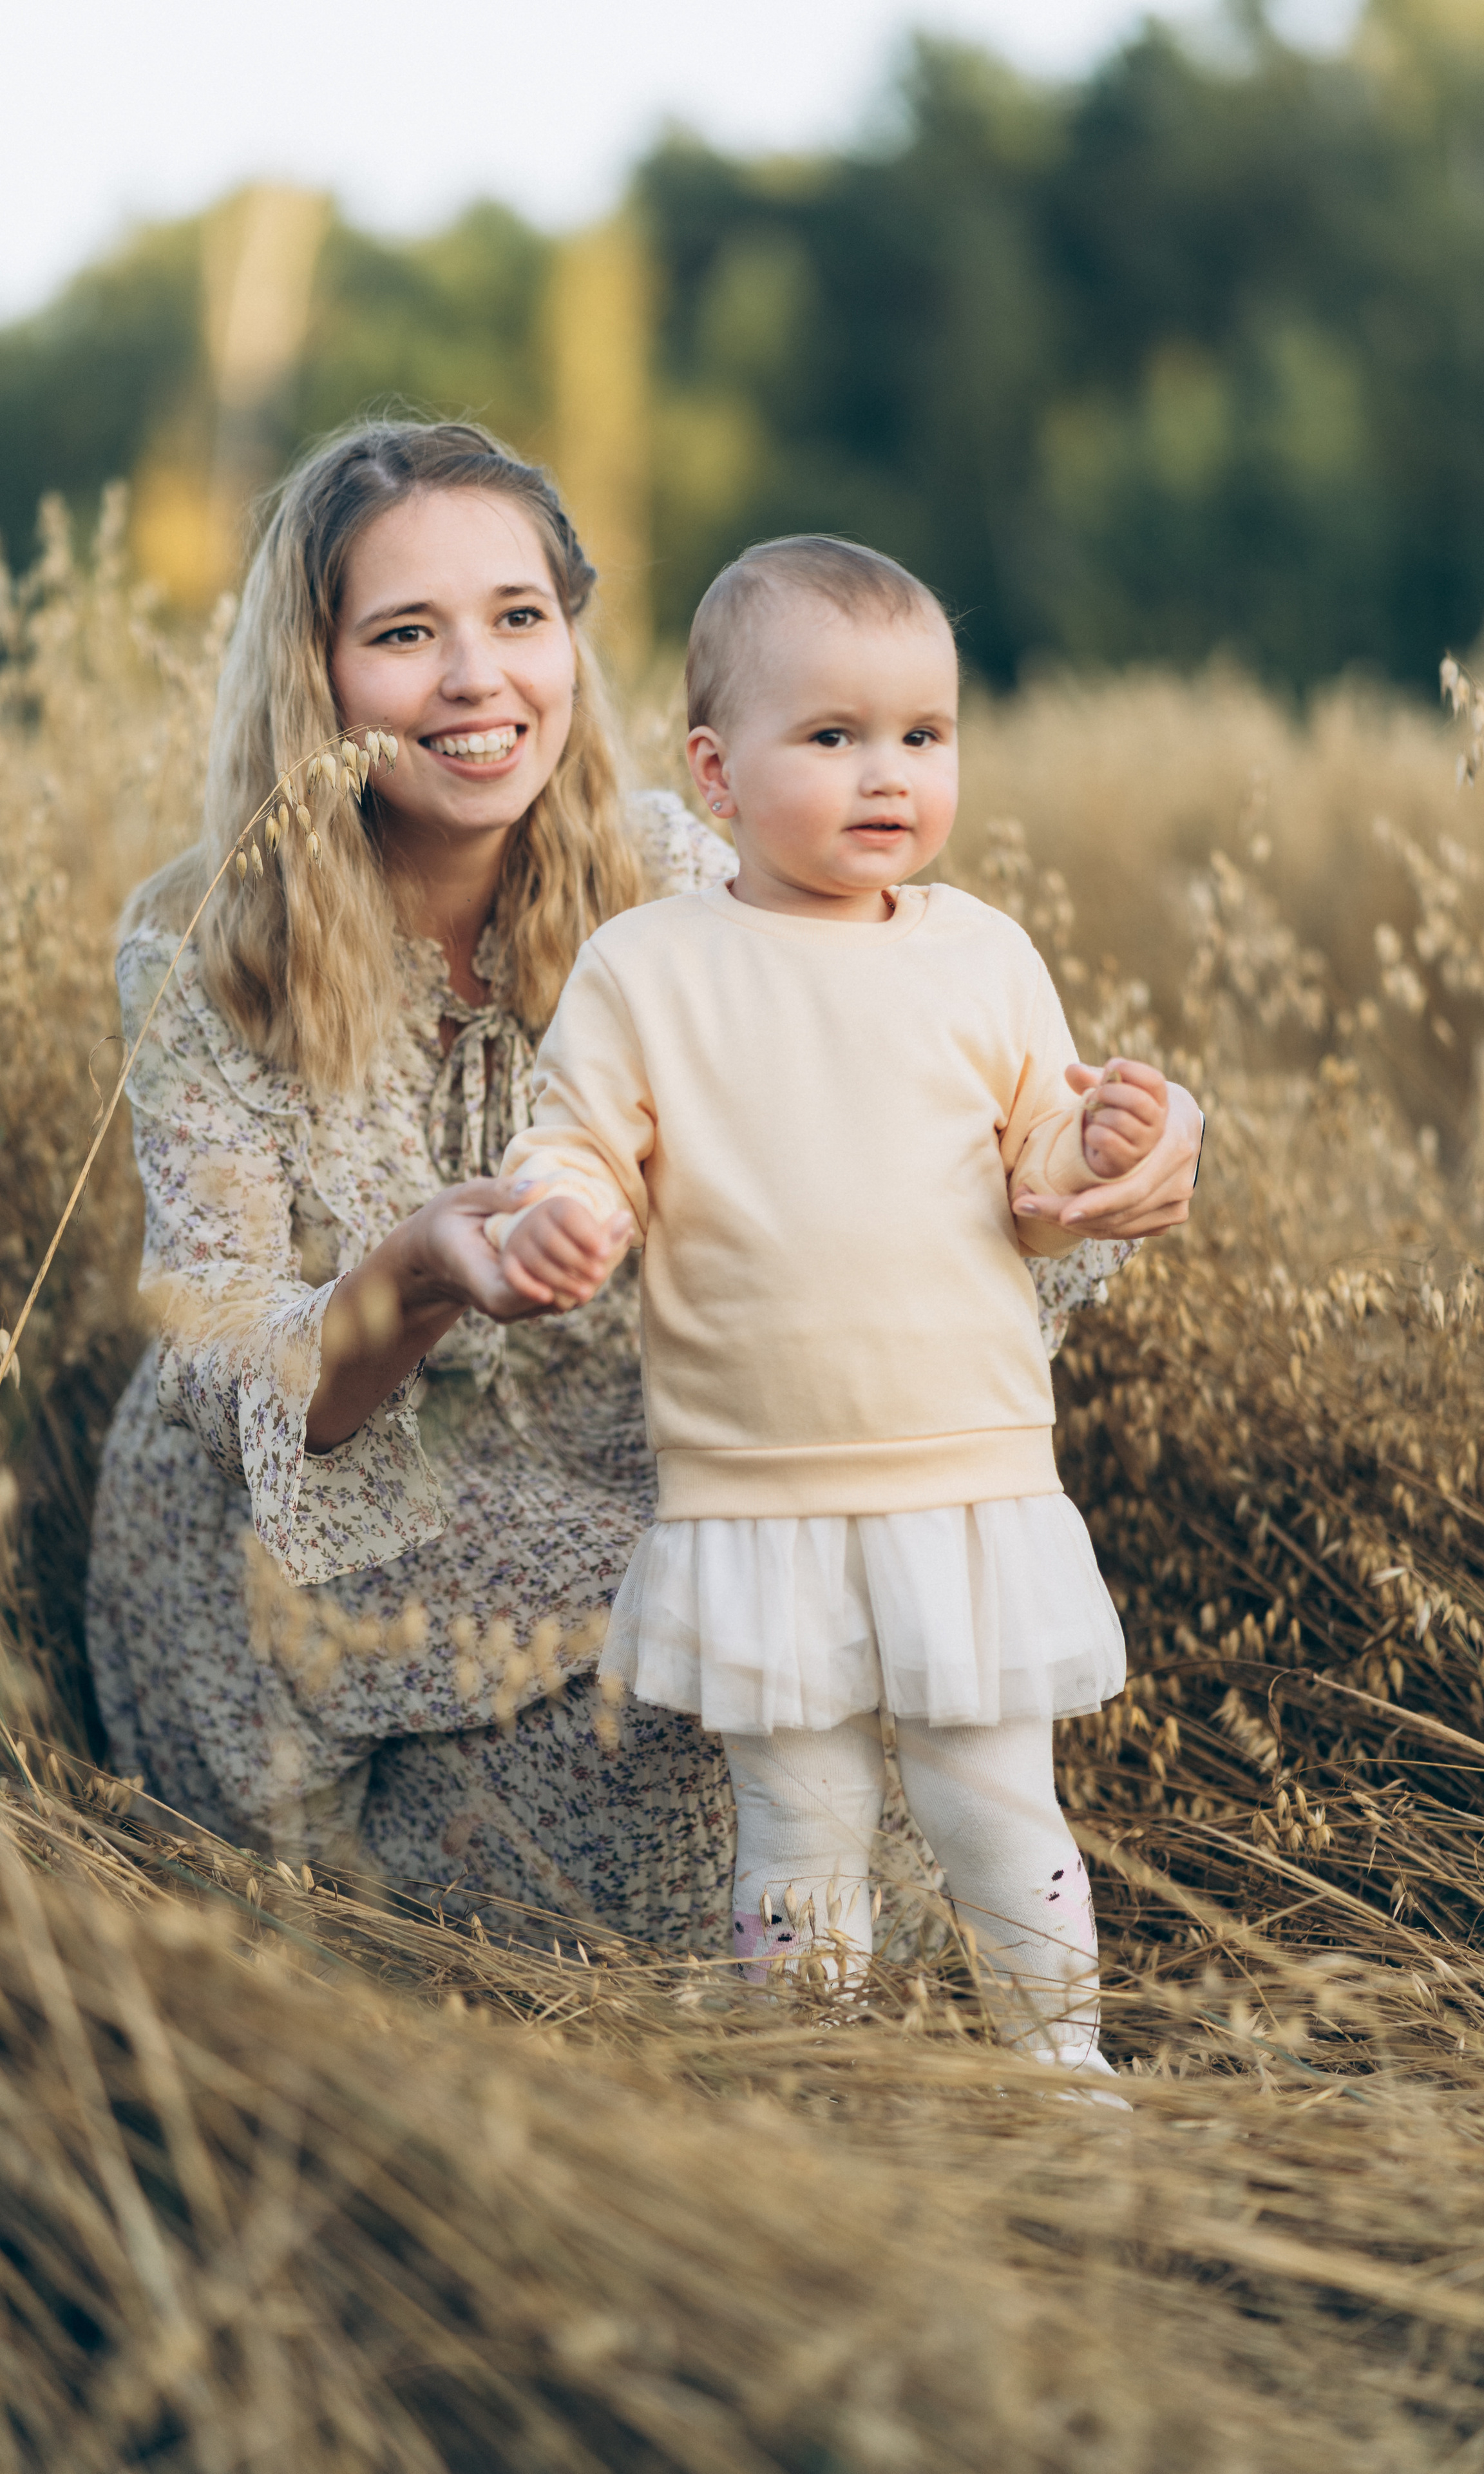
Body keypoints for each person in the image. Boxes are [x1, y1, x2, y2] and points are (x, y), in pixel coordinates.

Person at [86, 421, 1204, 1953]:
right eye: (407, 635)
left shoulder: (695, 875)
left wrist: (1103, 1163)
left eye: (519, 619)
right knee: (651, 1884)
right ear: (314, 673)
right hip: (335, 1529)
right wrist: (413, 1274)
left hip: (639, 1461)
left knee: (853, 1778)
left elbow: (946, 1125)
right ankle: (371, 1887)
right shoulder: (212, 952)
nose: (480, 680)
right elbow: (221, 1351)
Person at [485, 535, 1190, 2075]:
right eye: (831, 737)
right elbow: (582, 1144)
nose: (888, 776)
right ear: (715, 773)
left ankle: (1059, 2069)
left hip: (963, 1475)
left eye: (921, 737)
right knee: (798, 1830)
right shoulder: (648, 967)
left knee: (995, 1808)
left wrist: (1106, 1139)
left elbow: (1037, 1160)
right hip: (761, 1494)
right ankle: (814, 2084)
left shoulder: (979, 956)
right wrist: (566, 1216)